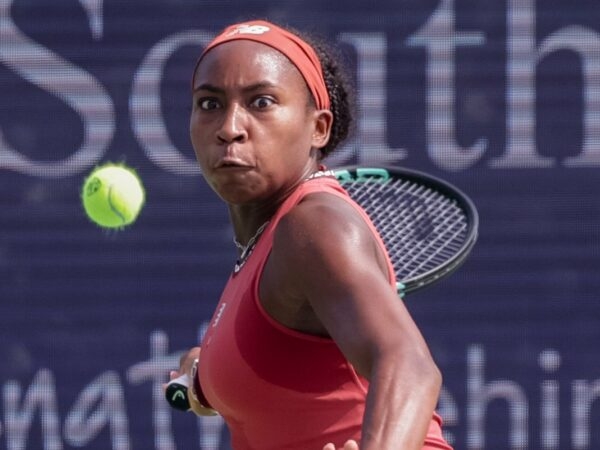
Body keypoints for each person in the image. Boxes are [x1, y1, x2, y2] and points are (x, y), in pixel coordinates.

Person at [169, 19, 453, 450]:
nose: (230, 128)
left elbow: (410, 365)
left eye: (260, 102)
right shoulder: (266, 241)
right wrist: (206, 377)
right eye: (210, 104)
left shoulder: (313, 224)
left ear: (318, 128)